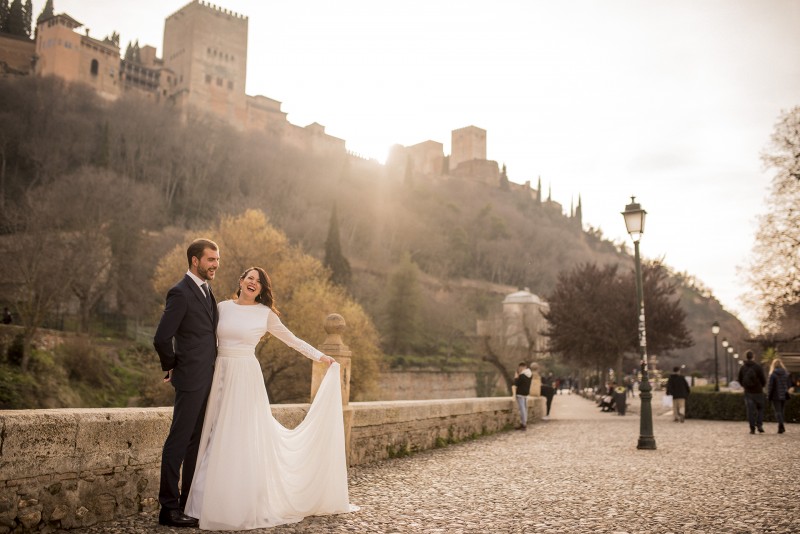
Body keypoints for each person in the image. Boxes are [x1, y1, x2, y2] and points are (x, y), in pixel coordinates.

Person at [184, 267, 355, 530]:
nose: (253, 283)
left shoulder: (265, 315)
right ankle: (203, 503)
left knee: (238, 436)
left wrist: (320, 357)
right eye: (250, 278)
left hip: (245, 377)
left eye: (259, 282)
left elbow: (292, 340)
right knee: (215, 435)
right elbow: (203, 338)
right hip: (219, 374)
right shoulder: (222, 307)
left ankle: (239, 503)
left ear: (262, 290)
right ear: (240, 281)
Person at [153, 238, 220, 528]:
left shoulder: (206, 291)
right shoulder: (180, 292)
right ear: (195, 260)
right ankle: (168, 509)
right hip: (191, 378)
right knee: (178, 442)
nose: (215, 264)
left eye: (217, 259)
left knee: (196, 443)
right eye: (210, 260)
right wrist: (171, 366)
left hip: (207, 378)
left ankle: (186, 503)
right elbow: (161, 337)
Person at [738, 350, 767, 434]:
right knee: (760, 408)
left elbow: (740, 379)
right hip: (758, 391)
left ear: (746, 357)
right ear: (753, 356)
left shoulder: (743, 367)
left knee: (750, 410)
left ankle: (752, 428)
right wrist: (761, 386)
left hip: (748, 392)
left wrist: (745, 386)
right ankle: (759, 425)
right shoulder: (758, 367)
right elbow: (763, 379)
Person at [767, 358, 791, 434]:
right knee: (781, 411)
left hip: (775, 395)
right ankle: (780, 428)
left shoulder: (773, 374)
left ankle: (781, 426)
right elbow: (789, 384)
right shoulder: (785, 374)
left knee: (778, 412)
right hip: (784, 394)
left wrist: (769, 395)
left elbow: (770, 386)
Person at [513, 362, 532, 430]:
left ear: (522, 367)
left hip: (520, 393)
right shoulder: (529, 374)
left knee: (522, 409)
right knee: (525, 409)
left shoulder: (522, 375)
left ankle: (523, 424)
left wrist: (516, 377)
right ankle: (523, 422)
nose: (519, 369)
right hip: (526, 393)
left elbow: (516, 384)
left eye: (520, 367)